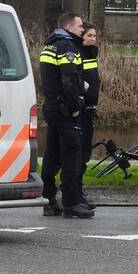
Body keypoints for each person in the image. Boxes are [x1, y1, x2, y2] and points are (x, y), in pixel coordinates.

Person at [39, 13, 94, 219]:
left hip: (52, 106)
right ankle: (71, 203)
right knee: (72, 155)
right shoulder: (67, 47)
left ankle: (49, 200)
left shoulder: (49, 46)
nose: (82, 29)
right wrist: (75, 105)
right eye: (79, 26)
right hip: (65, 110)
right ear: (69, 27)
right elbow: (69, 80)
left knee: (51, 155)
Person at [79, 23, 101, 207]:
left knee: (85, 153)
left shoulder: (91, 54)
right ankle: (74, 190)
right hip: (80, 110)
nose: (93, 39)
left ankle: (78, 188)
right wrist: (83, 86)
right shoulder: (78, 53)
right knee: (77, 153)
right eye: (89, 35)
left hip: (90, 109)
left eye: (94, 35)